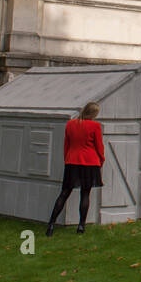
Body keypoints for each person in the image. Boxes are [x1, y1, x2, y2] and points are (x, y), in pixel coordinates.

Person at [46, 101, 105, 236]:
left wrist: (67, 158)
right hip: (90, 162)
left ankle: (51, 224)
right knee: (85, 194)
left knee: (65, 192)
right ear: (94, 114)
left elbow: (66, 144)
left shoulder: (71, 124)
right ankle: (81, 225)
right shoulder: (95, 126)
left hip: (72, 161)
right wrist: (101, 160)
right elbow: (99, 146)